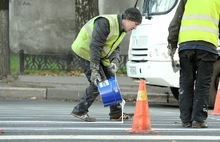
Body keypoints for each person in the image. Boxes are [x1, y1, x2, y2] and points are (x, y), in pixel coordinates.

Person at [70, 7, 142, 122]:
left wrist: (114, 60)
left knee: (110, 80)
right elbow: (95, 45)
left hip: (99, 55)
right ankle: (79, 110)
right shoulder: (105, 23)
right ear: (128, 19)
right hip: (85, 51)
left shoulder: (122, 29)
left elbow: (114, 47)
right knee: (99, 82)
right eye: (136, 24)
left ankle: (116, 114)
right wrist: (94, 69)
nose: (135, 28)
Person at [167, 0, 219, 128]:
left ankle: (186, 120)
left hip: (186, 46)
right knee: (203, 84)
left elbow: (176, 21)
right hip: (207, 46)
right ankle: (199, 120)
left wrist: (172, 43)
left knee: (186, 82)